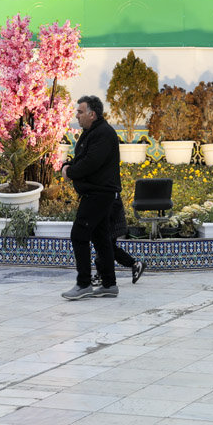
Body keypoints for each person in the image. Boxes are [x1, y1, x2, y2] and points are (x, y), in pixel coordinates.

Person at [59, 95, 120, 300]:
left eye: (80, 112)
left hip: (99, 193)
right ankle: (109, 284)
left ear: (92, 114)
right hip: (95, 192)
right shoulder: (91, 132)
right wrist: (67, 165)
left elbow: (91, 162)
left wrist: (71, 172)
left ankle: (84, 284)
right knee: (101, 238)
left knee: (79, 235)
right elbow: (80, 159)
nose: (77, 115)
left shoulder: (103, 133)